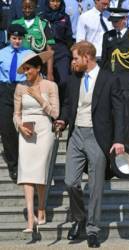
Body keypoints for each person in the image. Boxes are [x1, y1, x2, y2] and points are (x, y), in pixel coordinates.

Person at [54, 41, 125, 248]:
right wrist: (63, 119)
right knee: (70, 182)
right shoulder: (73, 79)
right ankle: (79, 218)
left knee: (95, 186)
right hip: (76, 134)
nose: (73, 62)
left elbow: (120, 111)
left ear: (87, 57)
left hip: (98, 137)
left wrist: (119, 139)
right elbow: (68, 104)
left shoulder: (110, 79)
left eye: (76, 58)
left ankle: (93, 229)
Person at [13, 50, 59, 232]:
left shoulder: (50, 86)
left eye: (29, 69)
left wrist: (38, 97)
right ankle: (30, 220)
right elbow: (16, 114)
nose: (26, 73)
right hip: (26, 130)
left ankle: (41, 208)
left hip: (44, 129)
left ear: (38, 68)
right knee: (26, 173)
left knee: (40, 172)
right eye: (24, 69)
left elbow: (55, 113)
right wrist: (20, 126)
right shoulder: (19, 87)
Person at [101, 7, 129, 156]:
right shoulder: (108, 36)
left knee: (126, 115)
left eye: (117, 21)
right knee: (110, 114)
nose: (114, 24)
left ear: (125, 19)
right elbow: (105, 61)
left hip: (126, 81)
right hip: (111, 81)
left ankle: (127, 149)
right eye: (112, 21)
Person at [0, 24, 32, 182]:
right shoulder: (2, 53)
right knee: (6, 128)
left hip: (23, 89)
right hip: (5, 90)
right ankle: (13, 165)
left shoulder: (29, 53)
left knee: (25, 126)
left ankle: (27, 163)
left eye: (20, 38)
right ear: (9, 38)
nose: (17, 41)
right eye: (14, 38)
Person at [12, 0, 55, 81]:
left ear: (35, 7)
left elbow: (50, 50)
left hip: (38, 67)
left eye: (30, 8)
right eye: (25, 7)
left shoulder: (43, 24)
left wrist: (50, 73)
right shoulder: (15, 24)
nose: (27, 10)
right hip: (20, 67)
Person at [42, 0, 72, 104]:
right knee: (46, 82)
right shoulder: (41, 17)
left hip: (61, 51)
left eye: (58, 1)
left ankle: (62, 110)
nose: (55, 4)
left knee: (63, 80)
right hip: (45, 50)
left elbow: (69, 37)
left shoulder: (65, 17)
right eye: (52, 1)